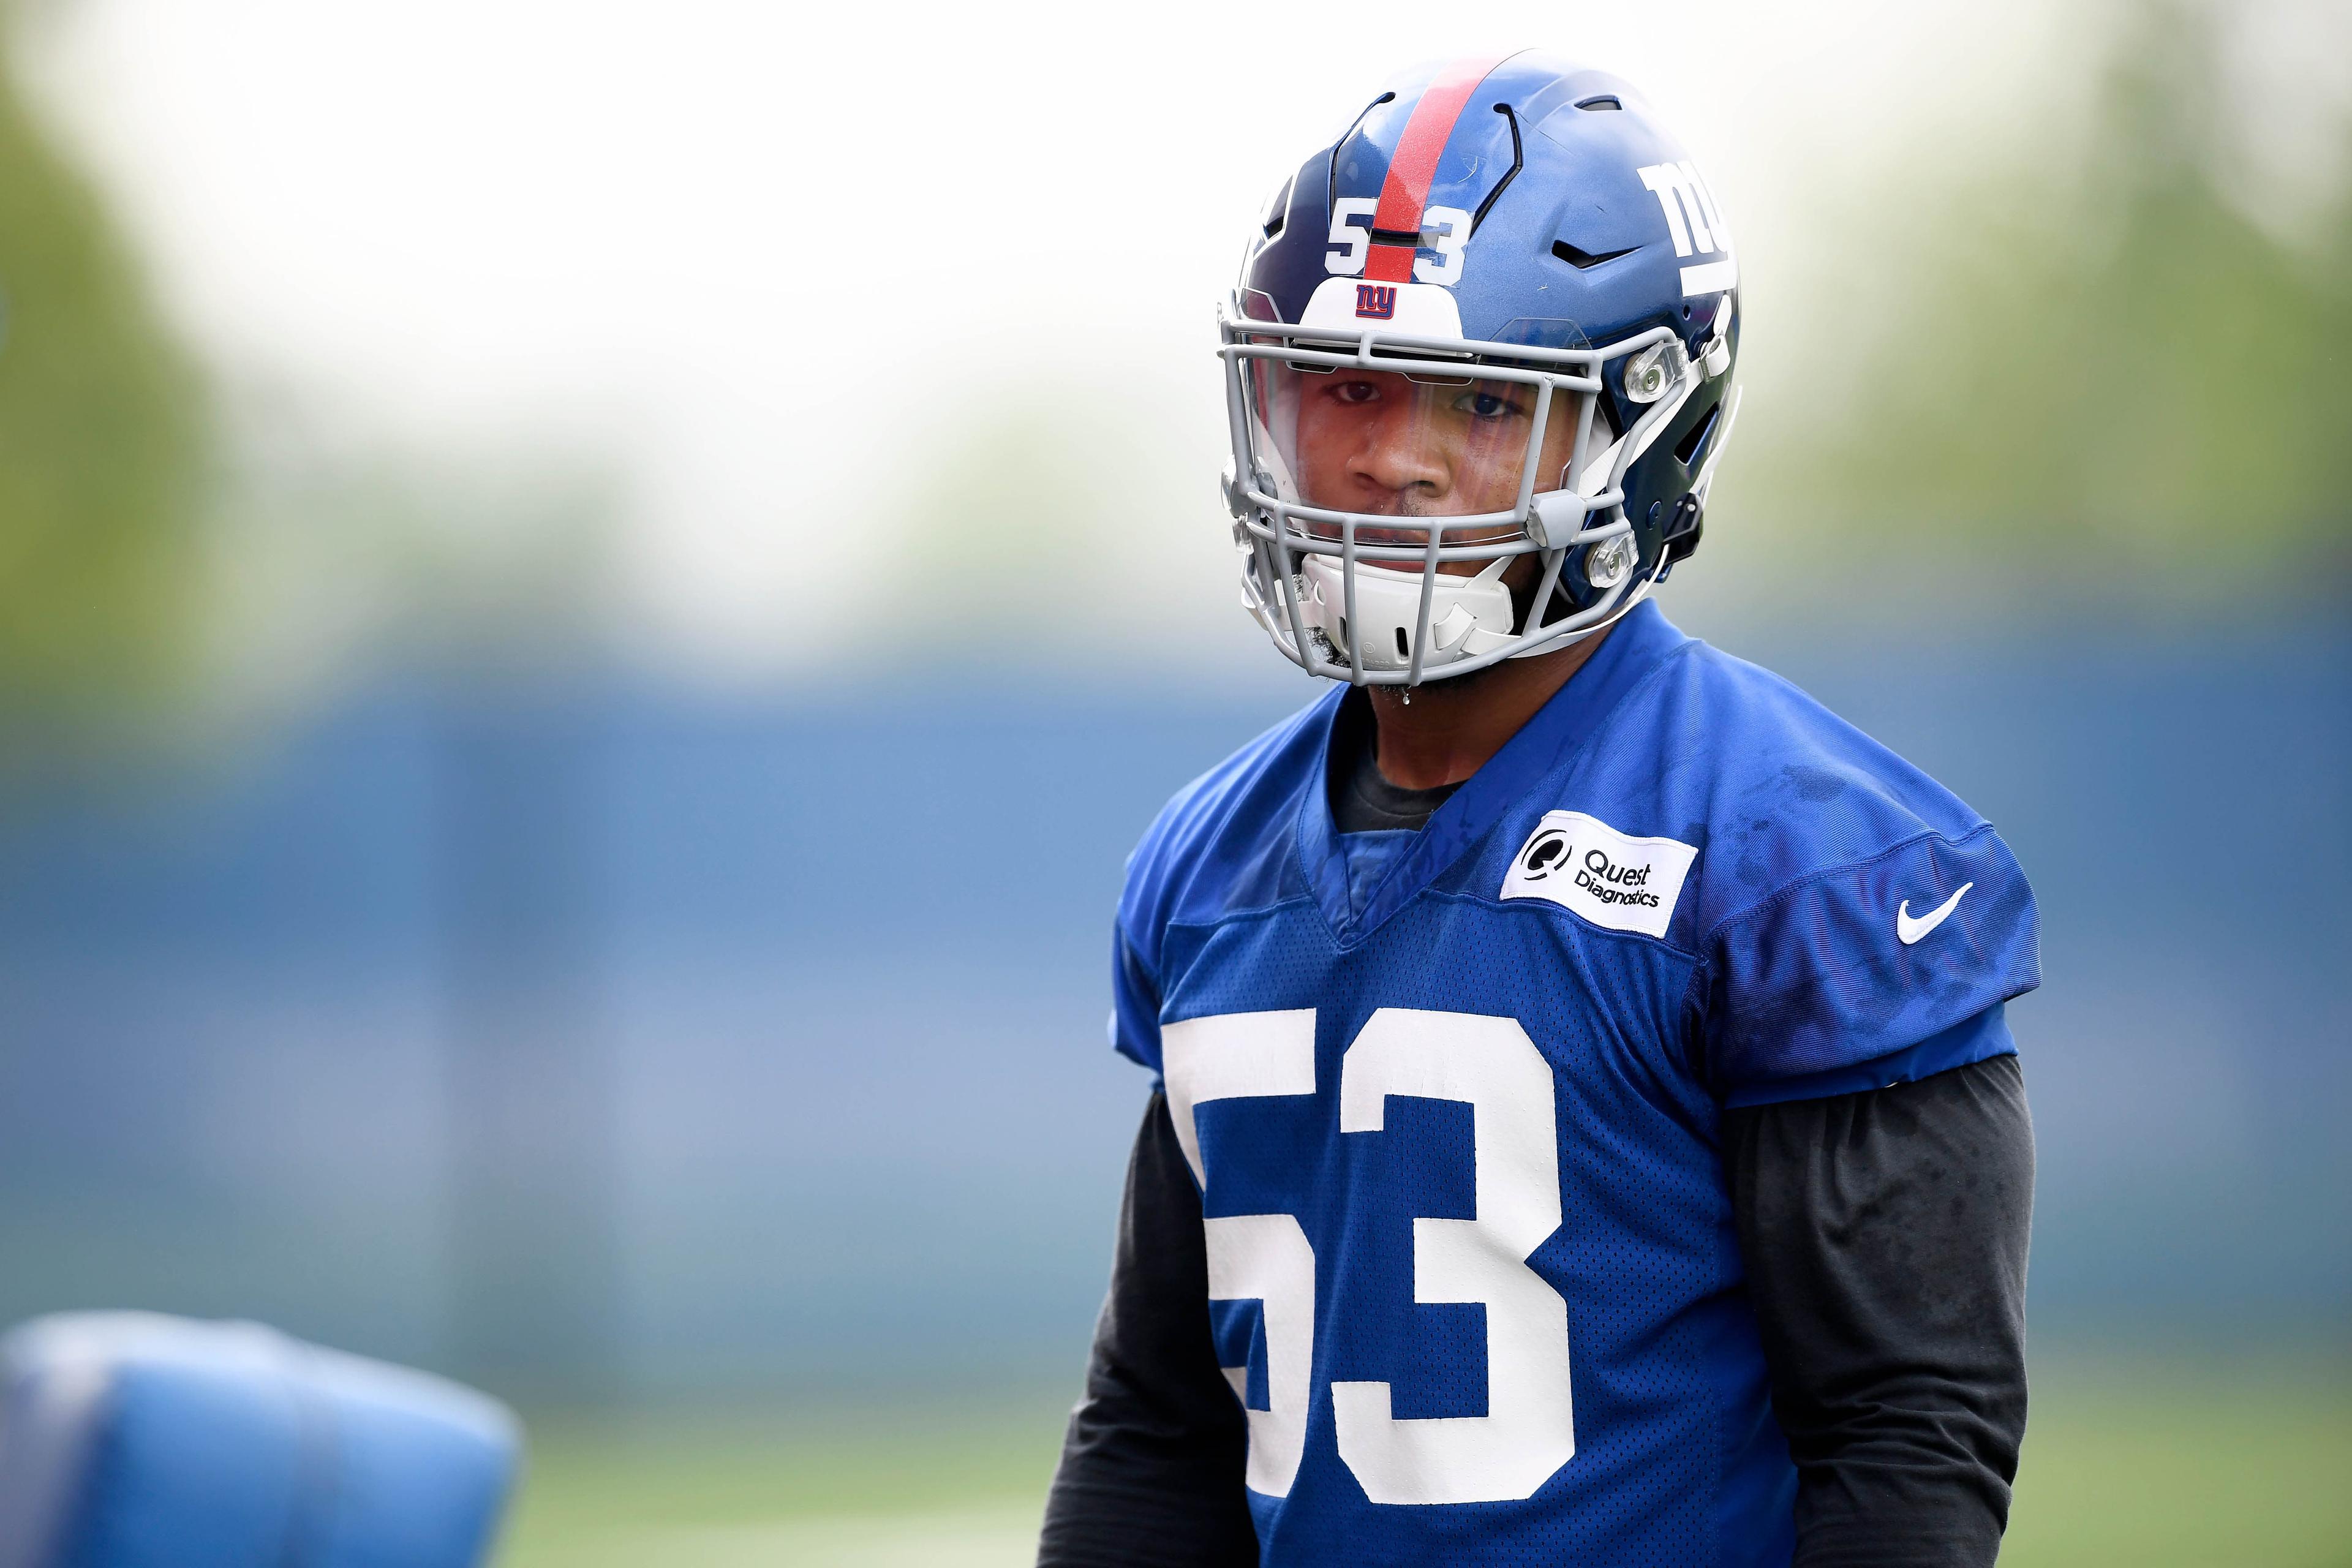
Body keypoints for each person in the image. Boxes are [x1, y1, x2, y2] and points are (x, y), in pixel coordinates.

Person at [1038, 52, 2038, 1568]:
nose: (1391, 455)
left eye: (1487, 398)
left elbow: (1909, 1439)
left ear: (1641, 435)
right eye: (1347, 383)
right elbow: (1159, 1427)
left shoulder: (1797, 861)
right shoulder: (1208, 870)